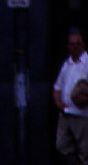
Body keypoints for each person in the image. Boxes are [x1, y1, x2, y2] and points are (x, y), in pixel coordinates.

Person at [53, 27, 88, 161]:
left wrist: (84, 99)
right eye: (72, 44)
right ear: (68, 46)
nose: (74, 47)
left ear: (83, 45)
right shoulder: (66, 64)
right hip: (65, 114)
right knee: (62, 146)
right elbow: (57, 87)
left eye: (77, 44)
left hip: (82, 115)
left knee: (85, 151)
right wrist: (59, 103)